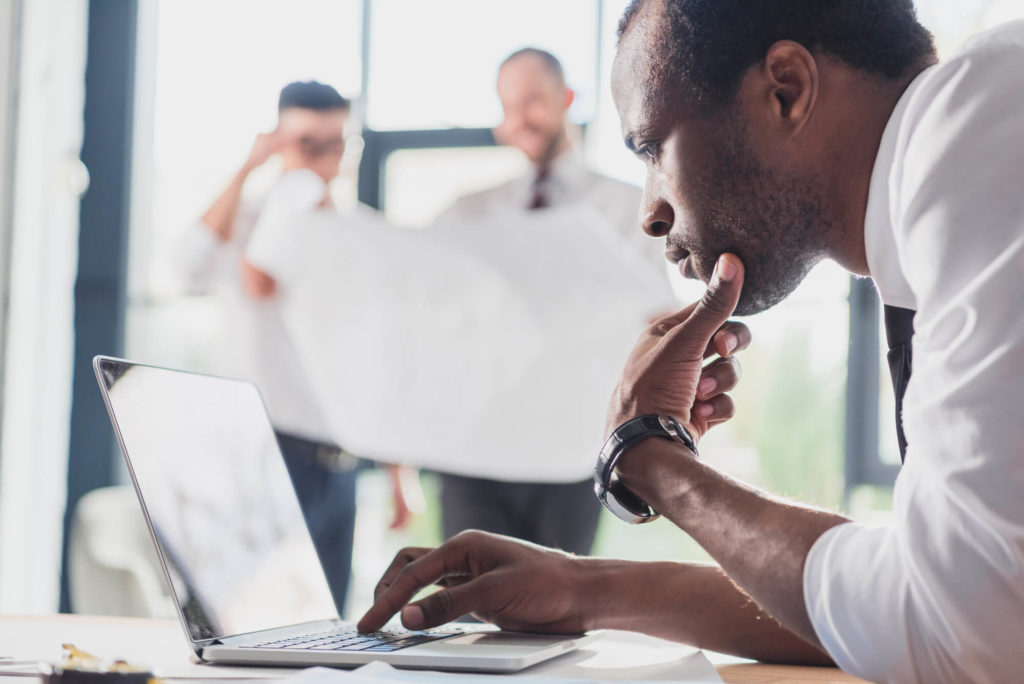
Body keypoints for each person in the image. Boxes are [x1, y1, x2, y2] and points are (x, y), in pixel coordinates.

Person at [358, 2, 1024, 682]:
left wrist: (651, 460)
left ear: (785, 91)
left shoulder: (977, 136)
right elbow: (925, 597)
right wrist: (585, 588)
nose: (650, 212)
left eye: (652, 147)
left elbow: (965, 634)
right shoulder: (964, 149)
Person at [171, 81, 414, 616]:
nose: (325, 159)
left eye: (337, 144)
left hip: (343, 459)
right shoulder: (246, 222)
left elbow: (379, 358)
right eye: (308, 144)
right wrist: (246, 167)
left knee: (327, 622)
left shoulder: (362, 235)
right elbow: (187, 266)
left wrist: (399, 473)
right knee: (245, 614)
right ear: (279, 143)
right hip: (264, 453)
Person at [434, 47, 673, 556]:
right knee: (465, 611)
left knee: (554, 610)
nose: (520, 119)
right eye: (508, 107)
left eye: (533, 101)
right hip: (475, 450)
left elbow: (655, 321)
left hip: (574, 451)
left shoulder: (628, 210)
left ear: (566, 99)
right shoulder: (467, 216)